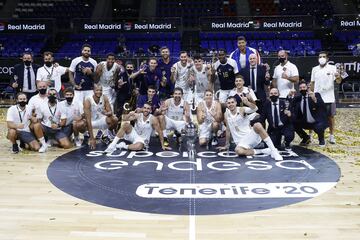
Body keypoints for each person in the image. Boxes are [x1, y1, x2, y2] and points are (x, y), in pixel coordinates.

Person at [218, 96, 283, 160]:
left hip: (250, 137)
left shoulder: (241, 109)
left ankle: (274, 151)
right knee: (238, 151)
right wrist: (226, 145)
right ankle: (263, 151)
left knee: (257, 125)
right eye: (229, 103)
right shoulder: (226, 114)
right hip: (240, 143)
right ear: (226, 104)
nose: (231, 104)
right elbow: (228, 129)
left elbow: (255, 109)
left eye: (232, 102)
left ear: (236, 103)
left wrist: (247, 102)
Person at [104, 102, 171, 153]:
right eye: (145, 108)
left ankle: (122, 146)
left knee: (139, 146)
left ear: (150, 110)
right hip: (134, 135)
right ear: (142, 108)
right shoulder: (138, 115)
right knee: (126, 125)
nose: (146, 110)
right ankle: (112, 145)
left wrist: (162, 145)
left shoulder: (153, 119)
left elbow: (159, 131)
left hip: (142, 140)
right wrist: (130, 114)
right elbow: (124, 119)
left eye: (148, 109)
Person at [310, 51, 342, 144]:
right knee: (313, 116)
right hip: (317, 97)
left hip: (329, 97)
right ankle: (310, 135)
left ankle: (331, 136)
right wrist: (311, 93)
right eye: (320, 56)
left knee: (330, 117)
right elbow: (312, 82)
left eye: (324, 56)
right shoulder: (314, 69)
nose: (322, 58)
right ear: (318, 58)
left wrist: (338, 76)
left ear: (327, 59)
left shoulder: (333, 68)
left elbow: (338, 81)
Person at [292, 81, 328, 147]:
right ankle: (305, 138)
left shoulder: (316, 95)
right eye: (300, 88)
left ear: (307, 87)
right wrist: (289, 96)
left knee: (319, 127)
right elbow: (290, 105)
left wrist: (314, 99)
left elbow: (323, 107)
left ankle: (321, 139)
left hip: (316, 121)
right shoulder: (298, 98)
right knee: (293, 123)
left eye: (304, 87)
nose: (302, 89)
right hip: (304, 121)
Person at [83, 84, 118, 149]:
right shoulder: (88, 100)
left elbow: (110, 112)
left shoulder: (104, 97)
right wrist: (92, 138)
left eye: (100, 90)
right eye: (97, 90)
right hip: (90, 122)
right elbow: (88, 120)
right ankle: (86, 135)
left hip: (101, 120)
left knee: (114, 119)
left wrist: (107, 113)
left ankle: (108, 134)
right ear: (93, 91)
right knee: (80, 124)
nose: (99, 92)